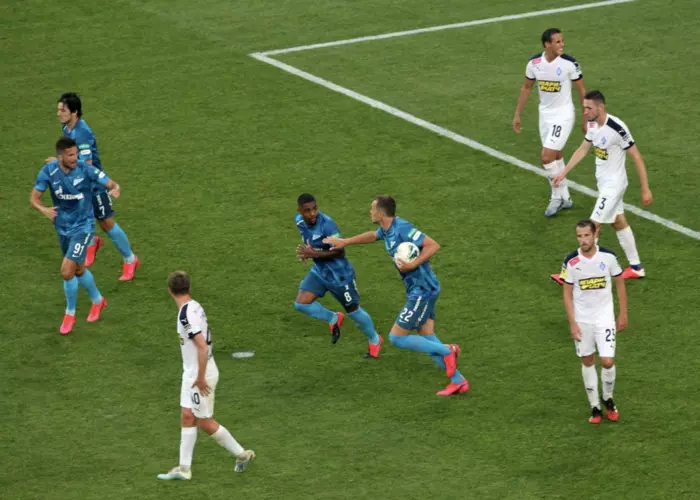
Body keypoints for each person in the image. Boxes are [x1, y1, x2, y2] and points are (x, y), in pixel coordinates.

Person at [323, 196, 468, 396]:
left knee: (396, 337)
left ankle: (448, 350)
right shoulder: (386, 229)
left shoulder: (402, 228)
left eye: (372, 208)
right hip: (418, 289)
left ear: (381, 212)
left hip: (422, 290)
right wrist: (345, 242)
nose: (370, 211)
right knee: (427, 336)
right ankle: (458, 381)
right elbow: (373, 236)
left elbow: (433, 245)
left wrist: (413, 264)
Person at [158, 271, 255, 481]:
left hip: (200, 373)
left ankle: (241, 454)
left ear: (169, 291)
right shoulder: (194, 306)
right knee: (187, 415)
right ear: (189, 288)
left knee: (204, 422)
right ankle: (184, 468)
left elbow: (202, 347)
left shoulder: (185, 315)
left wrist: (201, 378)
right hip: (192, 371)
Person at [552, 90, 653, 283]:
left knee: (592, 226)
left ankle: (575, 274)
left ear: (601, 107)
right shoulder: (592, 124)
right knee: (618, 222)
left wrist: (645, 188)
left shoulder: (617, 128)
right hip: (604, 184)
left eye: (589, 108)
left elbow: (637, 157)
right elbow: (583, 149)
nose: (585, 112)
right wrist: (563, 172)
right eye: (584, 108)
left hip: (614, 186)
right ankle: (636, 268)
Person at [30, 137, 117, 334]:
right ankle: (98, 301)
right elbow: (34, 198)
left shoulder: (85, 169)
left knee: (66, 271)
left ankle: (70, 313)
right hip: (63, 227)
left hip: (83, 227)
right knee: (78, 269)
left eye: (76, 154)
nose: (75, 158)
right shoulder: (49, 171)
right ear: (60, 156)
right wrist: (44, 210)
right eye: (70, 155)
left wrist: (115, 187)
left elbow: (109, 182)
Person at [50, 92, 139, 279]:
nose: (58, 113)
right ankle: (92, 243)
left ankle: (130, 259)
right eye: (58, 109)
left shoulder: (82, 134)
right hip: (80, 186)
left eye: (62, 110)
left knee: (107, 223)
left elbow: (87, 165)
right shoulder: (68, 128)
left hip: (94, 186)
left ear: (74, 112)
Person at [294, 194, 382, 358]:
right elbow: (309, 241)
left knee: (354, 312)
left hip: (340, 276)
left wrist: (313, 253)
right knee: (301, 303)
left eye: (314, 209)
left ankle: (374, 339)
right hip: (320, 271)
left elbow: (340, 251)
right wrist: (308, 252)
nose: (312, 213)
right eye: (307, 211)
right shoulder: (299, 221)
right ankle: (333, 318)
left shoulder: (327, 225)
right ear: (300, 211)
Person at [513, 28, 586, 216]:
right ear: (547, 44)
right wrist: (517, 114)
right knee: (556, 154)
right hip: (545, 115)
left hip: (564, 115)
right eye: (558, 42)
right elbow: (527, 88)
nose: (562, 45)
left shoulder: (569, 64)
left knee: (546, 157)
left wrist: (586, 117)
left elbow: (581, 90)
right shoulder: (534, 63)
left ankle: (556, 196)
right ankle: (566, 197)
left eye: (562, 41)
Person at [560, 220, 627, 423]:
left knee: (607, 361)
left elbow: (620, 283)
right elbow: (566, 293)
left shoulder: (608, 257)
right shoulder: (571, 261)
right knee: (587, 360)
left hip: (605, 318)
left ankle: (608, 398)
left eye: (586, 235)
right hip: (583, 320)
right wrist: (573, 323)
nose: (583, 240)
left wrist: (623, 313)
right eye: (579, 236)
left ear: (594, 235)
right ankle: (595, 407)